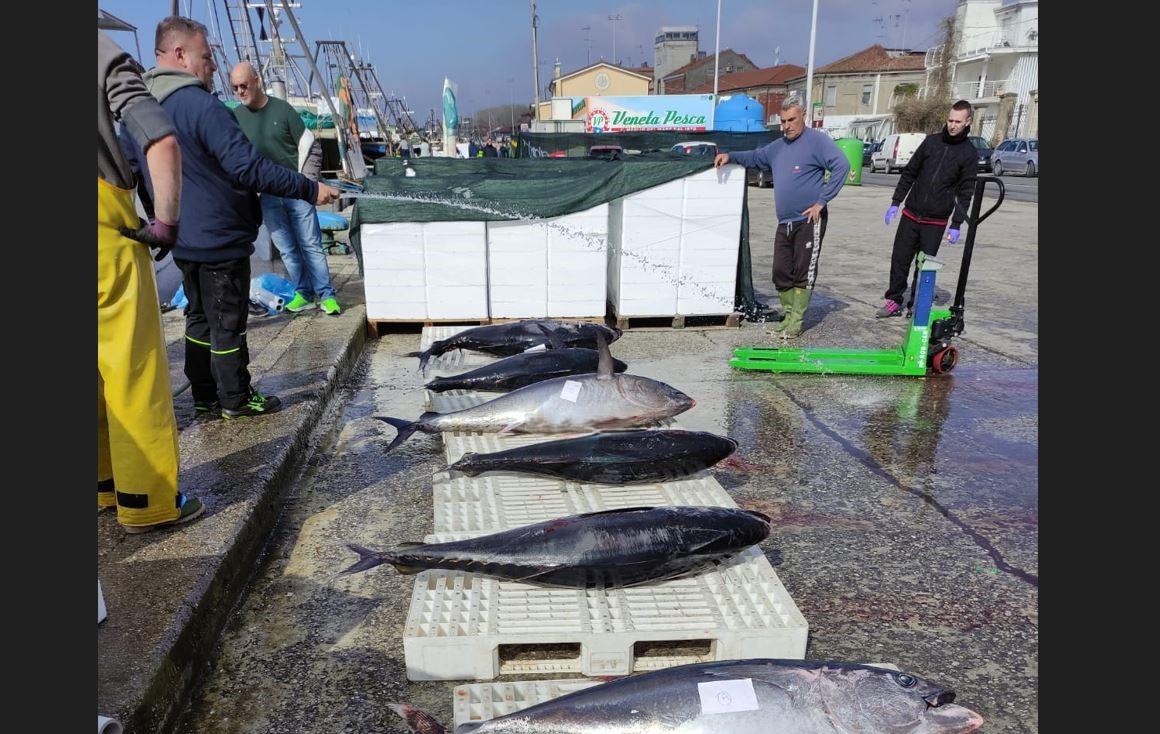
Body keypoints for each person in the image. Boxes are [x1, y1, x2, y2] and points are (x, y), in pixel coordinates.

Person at [120, 17, 340, 420]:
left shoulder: (141, 109)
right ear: (180, 55)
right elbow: (249, 168)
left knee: (199, 318)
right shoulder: (204, 107)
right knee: (228, 322)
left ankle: (204, 394)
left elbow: (133, 168)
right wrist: (310, 188)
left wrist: (160, 219)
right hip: (220, 240)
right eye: (207, 57)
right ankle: (236, 398)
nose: (214, 67)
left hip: (182, 239)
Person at [99, 28, 205, 532]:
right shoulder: (99, 52)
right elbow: (160, 140)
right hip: (101, 230)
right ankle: (147, 502)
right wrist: (165, 221)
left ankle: (101, 483)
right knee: (131, 366)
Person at [714, 98, 850, 338]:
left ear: (803, 116)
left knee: (803, 271)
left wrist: (821, 201)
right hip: (784, 221)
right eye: (783, 121)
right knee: (780, 271)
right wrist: (730, 156)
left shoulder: (816, 141)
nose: (787, 126)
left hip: (809, 219)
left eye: (792, 120)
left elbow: (842, 165)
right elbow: (754, 157)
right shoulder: (777, 148)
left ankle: (796, 321)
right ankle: (788, 315)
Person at [229, 62, 341, 316]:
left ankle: (327, 294)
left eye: (243, 85)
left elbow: (310, 144)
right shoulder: (236, 116)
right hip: (267, 194)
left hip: (297, 190)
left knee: (310, 243)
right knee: (286, 247)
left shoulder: (282, 110)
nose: (239, 91)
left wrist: (308, 182)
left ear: (257, 81)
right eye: (234, 88)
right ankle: (304, 292)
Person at [876, 100, 978, 318]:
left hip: (936, 221)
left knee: (924, 267)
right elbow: (910, 173)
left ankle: (916, 306)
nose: (952, 125)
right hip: (911, 215)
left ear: (968, 122)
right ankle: (894, 300)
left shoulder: (969, 153)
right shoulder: (931, 143)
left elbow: (966, 191)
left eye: (957, 122)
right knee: (900, 260)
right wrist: (896, 202)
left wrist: (957, 224)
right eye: (950, 120)